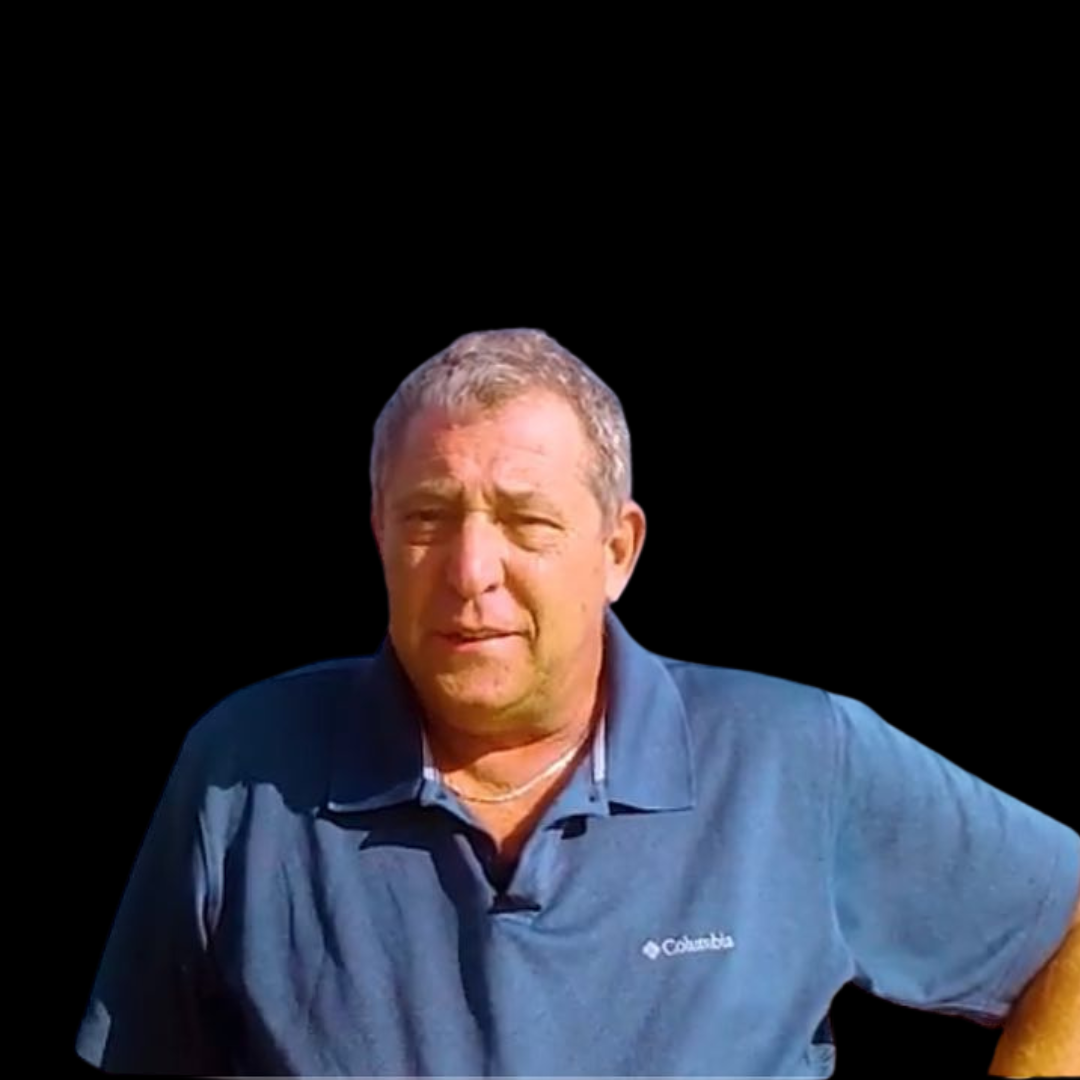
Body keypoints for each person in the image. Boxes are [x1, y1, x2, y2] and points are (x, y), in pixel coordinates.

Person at [75, 328, 1080, 1077]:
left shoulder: (794, 758)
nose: (471, 571)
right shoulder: (245, 769)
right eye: (428, 518)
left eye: (526, 522)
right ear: (378, 532)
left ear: (617, 550)